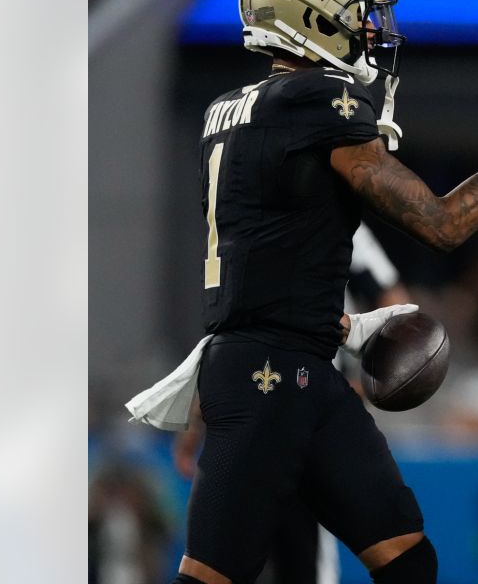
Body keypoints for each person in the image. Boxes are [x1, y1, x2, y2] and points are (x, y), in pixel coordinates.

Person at [139, 0, 478, 584]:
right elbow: (442, 225)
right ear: (311, 15)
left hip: (293, 366)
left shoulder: (226, 110)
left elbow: (266, 248)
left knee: (407, 559)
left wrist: (333, 320)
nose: (373, 30)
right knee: (215, 576)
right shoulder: (317, 103)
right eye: (359, 14)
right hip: (269, 379)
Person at [171, 223, 412, 584]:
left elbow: (399, 312)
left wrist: (363, 383)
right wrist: (197, 413)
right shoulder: (243, 219)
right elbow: (227, 330)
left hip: (295, 410)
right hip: (254, 412)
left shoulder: (331, 220)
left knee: (293, 556)